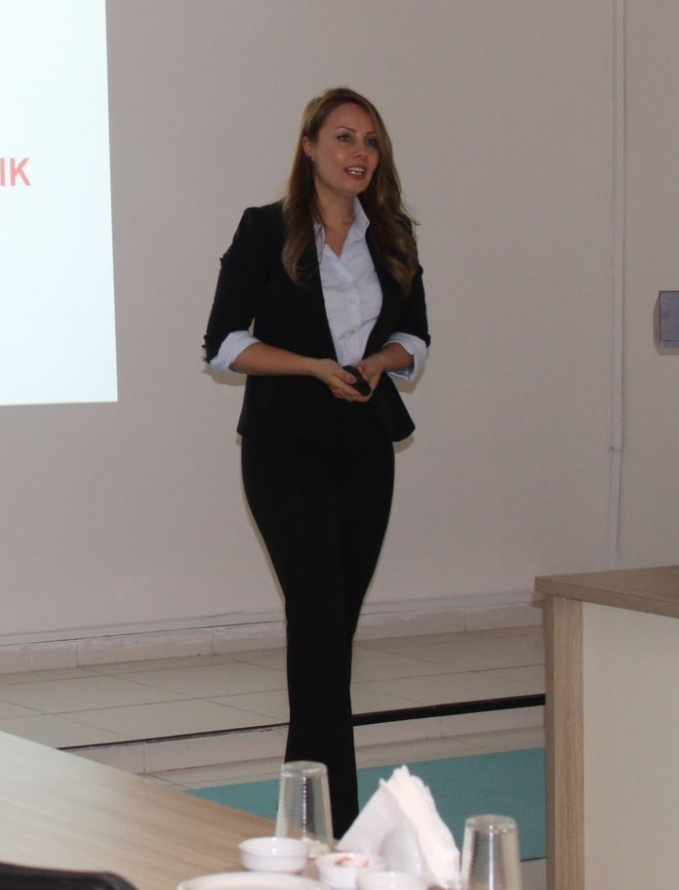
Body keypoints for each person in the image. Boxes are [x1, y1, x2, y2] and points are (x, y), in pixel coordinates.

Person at [202, 87, 430, 835]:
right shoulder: (266, 229)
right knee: (319, 622)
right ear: (309, 147)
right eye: (343, 138)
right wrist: (311, 366)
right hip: (285, 445)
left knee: (333, 634)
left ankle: (311, 814)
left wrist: (379, 361)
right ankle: (329, 820)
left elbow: (416, 339)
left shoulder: (391, 234)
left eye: (371, 141)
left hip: (364, 445)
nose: (359, 153)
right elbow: (224, 343)